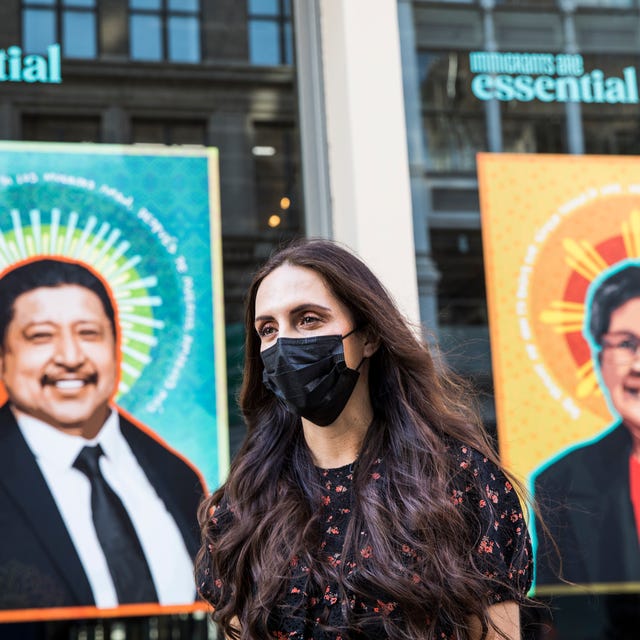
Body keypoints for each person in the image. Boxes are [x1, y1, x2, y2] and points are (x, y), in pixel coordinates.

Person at [196, 239, 532, 640]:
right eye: (268, 329)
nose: (283, 344)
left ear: (368, 337)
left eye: (308, 320)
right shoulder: (244, 507)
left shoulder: (460, 482)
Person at [0, 257, 206, 611]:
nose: (70, 356)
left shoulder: (178, 476)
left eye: (88, 333)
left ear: (115, 346)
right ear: (4, 356)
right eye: (41, 336)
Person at [534, 262, 640, 587]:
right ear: (599, 362)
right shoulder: (560, 485)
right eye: (626, 344)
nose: (638, 364)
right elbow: (558, 621)